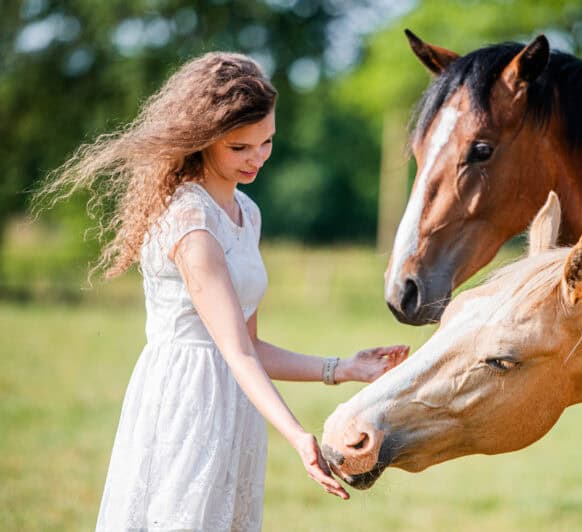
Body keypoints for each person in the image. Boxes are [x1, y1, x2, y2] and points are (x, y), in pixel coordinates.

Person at [37, 52, 409, 531]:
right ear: (204, 139)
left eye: (267, 142)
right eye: (240, 147)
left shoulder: (246, 213)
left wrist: (343, 368)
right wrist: (298, 437)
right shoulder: (189, 221)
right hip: (187, 402)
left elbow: (249, 345)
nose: (257, 157)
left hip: (237, 401)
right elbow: (234, 351)